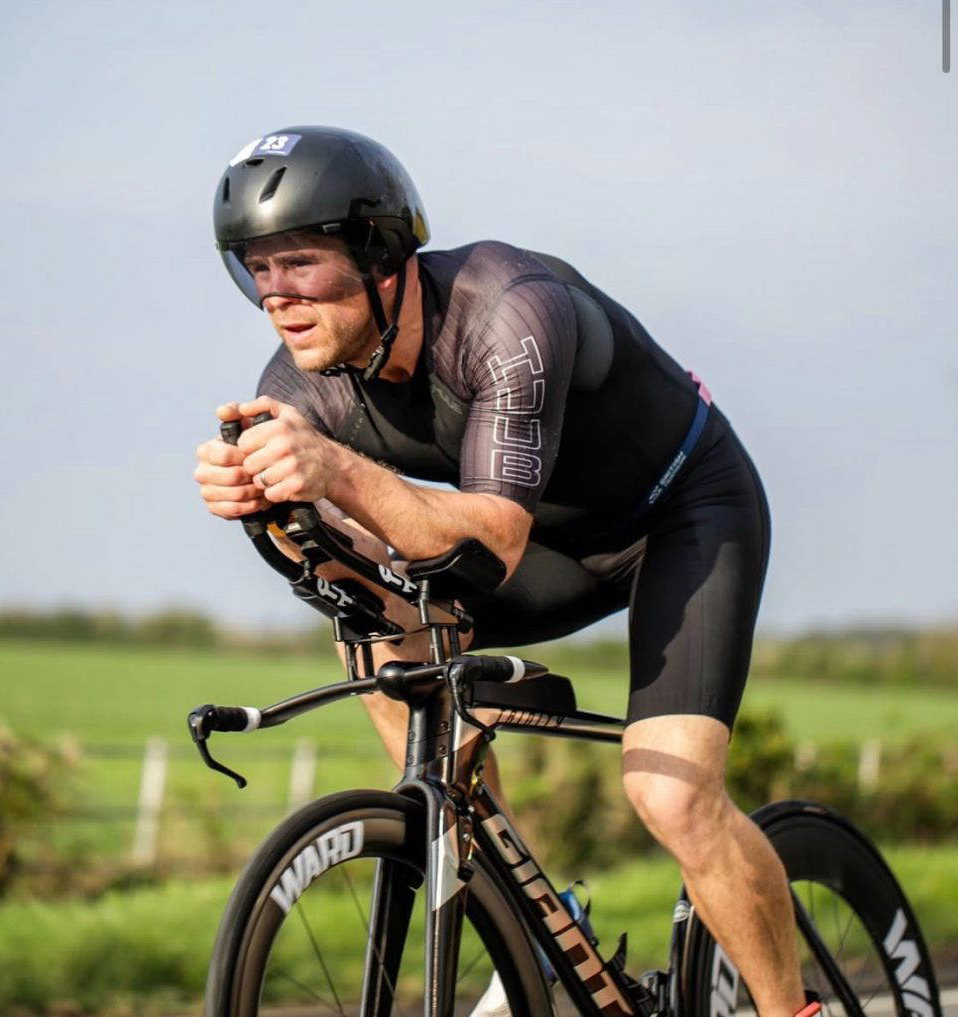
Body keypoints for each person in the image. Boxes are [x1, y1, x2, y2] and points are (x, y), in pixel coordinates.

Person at [194, 125, 816, 1017]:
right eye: (257, 269)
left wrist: (334, 473)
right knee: (371, 626)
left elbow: (492, 542)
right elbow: (354, 566)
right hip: (551, 550)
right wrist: (272, 510)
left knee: (671, 794)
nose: (276, 296)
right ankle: (526, 917)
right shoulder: (300, 384)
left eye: (300, 263)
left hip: (681, 515)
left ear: (381, 255)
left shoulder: (507, 311)